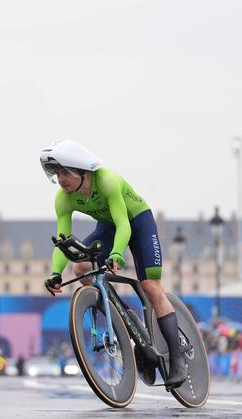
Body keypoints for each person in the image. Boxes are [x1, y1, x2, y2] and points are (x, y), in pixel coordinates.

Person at [40, 139, 187, 387]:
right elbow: (63, 242)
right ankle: (125, 324)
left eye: (65, 172)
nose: (61, 179)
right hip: (108, 227)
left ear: (82, 171)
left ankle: (178, 357)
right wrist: (55, 273)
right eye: (57, 173)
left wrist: (117, 254)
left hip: (137, 221)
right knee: (81, 267)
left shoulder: (105, 180)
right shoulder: (62, 199)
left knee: (151, 287)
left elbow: (124, 225)